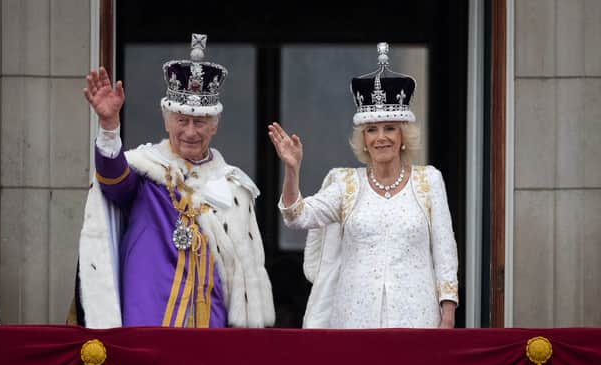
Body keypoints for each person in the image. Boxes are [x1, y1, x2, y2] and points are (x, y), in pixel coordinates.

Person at [68, 33, 275, 328]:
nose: (190, 131)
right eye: (182, 120)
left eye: (200, 122)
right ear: (167, 121)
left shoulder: (233, 187)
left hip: (210, 320)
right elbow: (114, 182)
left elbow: (241, 272)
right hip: (149, 316)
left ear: (214, 126)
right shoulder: (146, 172)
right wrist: (109, 127)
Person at [268, 42, 458, 329]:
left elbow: (445, 251)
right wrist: (292, 171)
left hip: (417, 317)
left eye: (389, 128)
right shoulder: (346, 184)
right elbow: (298, 216)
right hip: (355, 319)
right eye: (372, 130)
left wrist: (448, 311)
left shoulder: (428, 180)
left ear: (403, 134)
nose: (381, 137)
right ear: (364, 140)